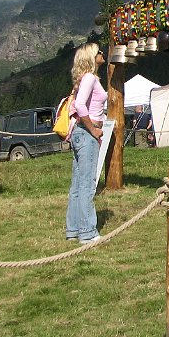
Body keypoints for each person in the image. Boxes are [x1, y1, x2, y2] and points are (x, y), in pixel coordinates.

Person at [65, 42, 107, 244]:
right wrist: (94, 129)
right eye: (99, 51)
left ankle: (73, 228)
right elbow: (80, 105)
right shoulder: (90, 78)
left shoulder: (82, 80)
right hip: (87, 133)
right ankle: (88, 232)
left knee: (76, 184)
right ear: (92, 57)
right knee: (87, 184)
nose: (102, 53)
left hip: (77, 134)